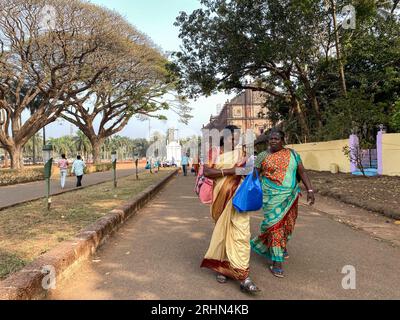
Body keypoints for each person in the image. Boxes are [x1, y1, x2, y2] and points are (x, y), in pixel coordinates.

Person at [201, 125, 260, 294]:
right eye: (231, 137)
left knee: (242, 234)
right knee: (223, 232)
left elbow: (247, 172)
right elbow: (207, 171)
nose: (234, 141)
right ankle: (222, 268)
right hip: (221, 198)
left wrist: (251, 170)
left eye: (237, 138)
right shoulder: (214, 152)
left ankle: (244, 276)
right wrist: (231, 170)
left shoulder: (242, 154)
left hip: (239, 200)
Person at [251, 129, 315, 278]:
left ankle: (282, 245)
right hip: (271, 197)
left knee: (288, 224)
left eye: (277, 138)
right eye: (271, 139)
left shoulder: (292, 154)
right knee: (275, 226)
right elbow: (255, 174)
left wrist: (310, 190)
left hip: (290, 196)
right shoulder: (262, 156)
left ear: (283, 140)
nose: (273, 141)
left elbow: (302, 172)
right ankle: (276, 261)